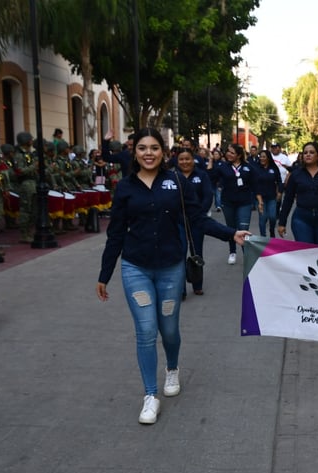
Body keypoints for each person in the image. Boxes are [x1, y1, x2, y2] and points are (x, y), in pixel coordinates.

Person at [97, 128, 251, 425]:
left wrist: (231, 234)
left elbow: (197, 218)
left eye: (154, 147)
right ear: (135, 152)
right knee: (145, 330)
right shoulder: (126, 187)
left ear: (162, 151)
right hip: (135, 268)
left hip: (170, 268)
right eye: (142, 148)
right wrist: (105, 274)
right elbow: (115, 232)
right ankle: (150, 396)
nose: (148, 153)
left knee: (168, 329)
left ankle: (172, 368)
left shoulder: (176, 182)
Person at [277, 141, 318, 245]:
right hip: (302, 218)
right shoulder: (296, 174)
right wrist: (282, 222)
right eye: (305, 153)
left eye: (311, 152)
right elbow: (288, 199)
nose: (308, 154)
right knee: (306, 251)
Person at [208, 143, 260, 264]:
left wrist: (260, 201)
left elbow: (255, 185)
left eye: (232, 152)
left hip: (245, 203)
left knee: (243, 228)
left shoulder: (248, 167)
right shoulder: (223, 166)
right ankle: (232, 252)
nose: (228, 154)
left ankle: (247, 254)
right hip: (228, 202)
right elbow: (211, 177)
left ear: (239, 155)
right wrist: (210, 161)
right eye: (228, 152)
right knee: (231, 229)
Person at [173, 147, 215, 296]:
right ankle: (181, 289)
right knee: (180, 253)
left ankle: (197, 284)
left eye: (187, 159)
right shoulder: (173, 177)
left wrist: (199, 213)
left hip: (197, 221)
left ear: (193, 160)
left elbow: (208, 195)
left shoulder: (202, 175)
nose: (185, 162)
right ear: (177, 161)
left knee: (197, 252)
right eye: (181, 159)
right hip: (177, 222)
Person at [255, 149, 282, 238]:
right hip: (260, 197)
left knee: (272, 217)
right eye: (260, 157)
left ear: (268, 158)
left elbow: (279, 181)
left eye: (264, 157)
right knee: (262, 218)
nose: (262, 159)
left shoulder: (273, 168)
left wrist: (279, 192)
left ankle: (271, 230)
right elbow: (253, 183)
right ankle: (263, 237)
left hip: (271, 197)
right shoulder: (256, 168)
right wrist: (259, 199)